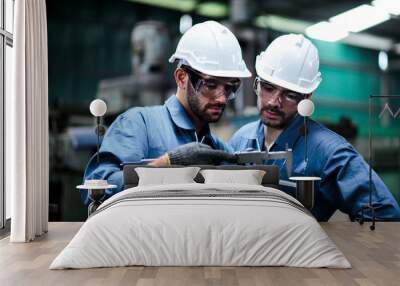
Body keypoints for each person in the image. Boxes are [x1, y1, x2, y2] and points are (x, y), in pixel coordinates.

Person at [229, 34, 400, 221]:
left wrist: (330, 241)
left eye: (290, 95)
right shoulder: (241, 139)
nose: (273, 102)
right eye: (268, 88)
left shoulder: (329, 152)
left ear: (307, 97)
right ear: (257, 84)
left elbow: (385, 215)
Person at [81, 21, 251, 205]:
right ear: (181, 78)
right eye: (210, 85)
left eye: (230, 88)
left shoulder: (220, 150)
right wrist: (166, 164)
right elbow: (95, 191)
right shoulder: (138, 124)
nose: (222, 98)